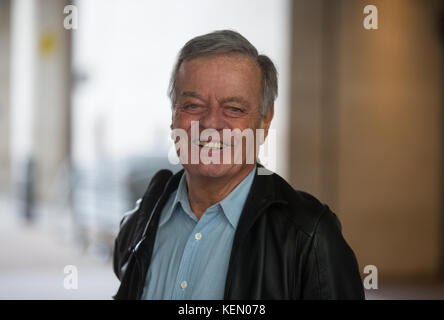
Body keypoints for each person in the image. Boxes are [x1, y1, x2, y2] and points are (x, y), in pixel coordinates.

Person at [113, 30, 364, 300]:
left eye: (234, 109)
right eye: (193, 105)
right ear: (173, 116)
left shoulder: (310, 237)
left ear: (265, 121)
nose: (210, 124)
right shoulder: (144, 219)